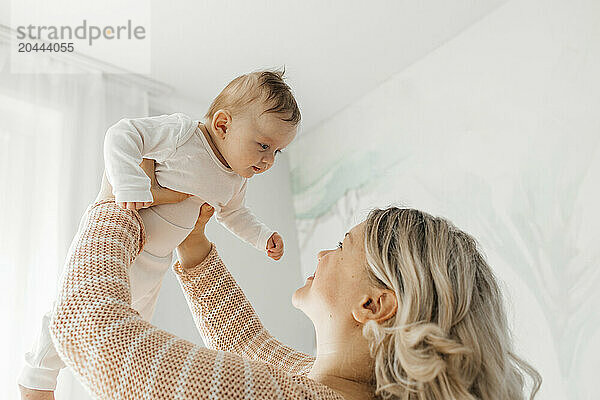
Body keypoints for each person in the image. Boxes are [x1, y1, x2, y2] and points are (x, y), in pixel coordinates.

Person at [37, 164, 540, 399]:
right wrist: (195, 252)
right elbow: (250, 347)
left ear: (373, 303)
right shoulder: (336, 387)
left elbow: (93, 333)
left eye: (342, 245)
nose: (323, 252)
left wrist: (115, 204)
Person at [18, 69, 298, 397]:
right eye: (264, 145)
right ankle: (36, 374)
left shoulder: (235, 181)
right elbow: (122, 134)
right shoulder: (183, 134)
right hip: (122, 240)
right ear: (223, 124)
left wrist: (263, 237)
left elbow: (234, 215)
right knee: (81, 307)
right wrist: (127, 182)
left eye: (277, 152)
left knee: (128, 338)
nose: (268, 161)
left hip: (157, 263)